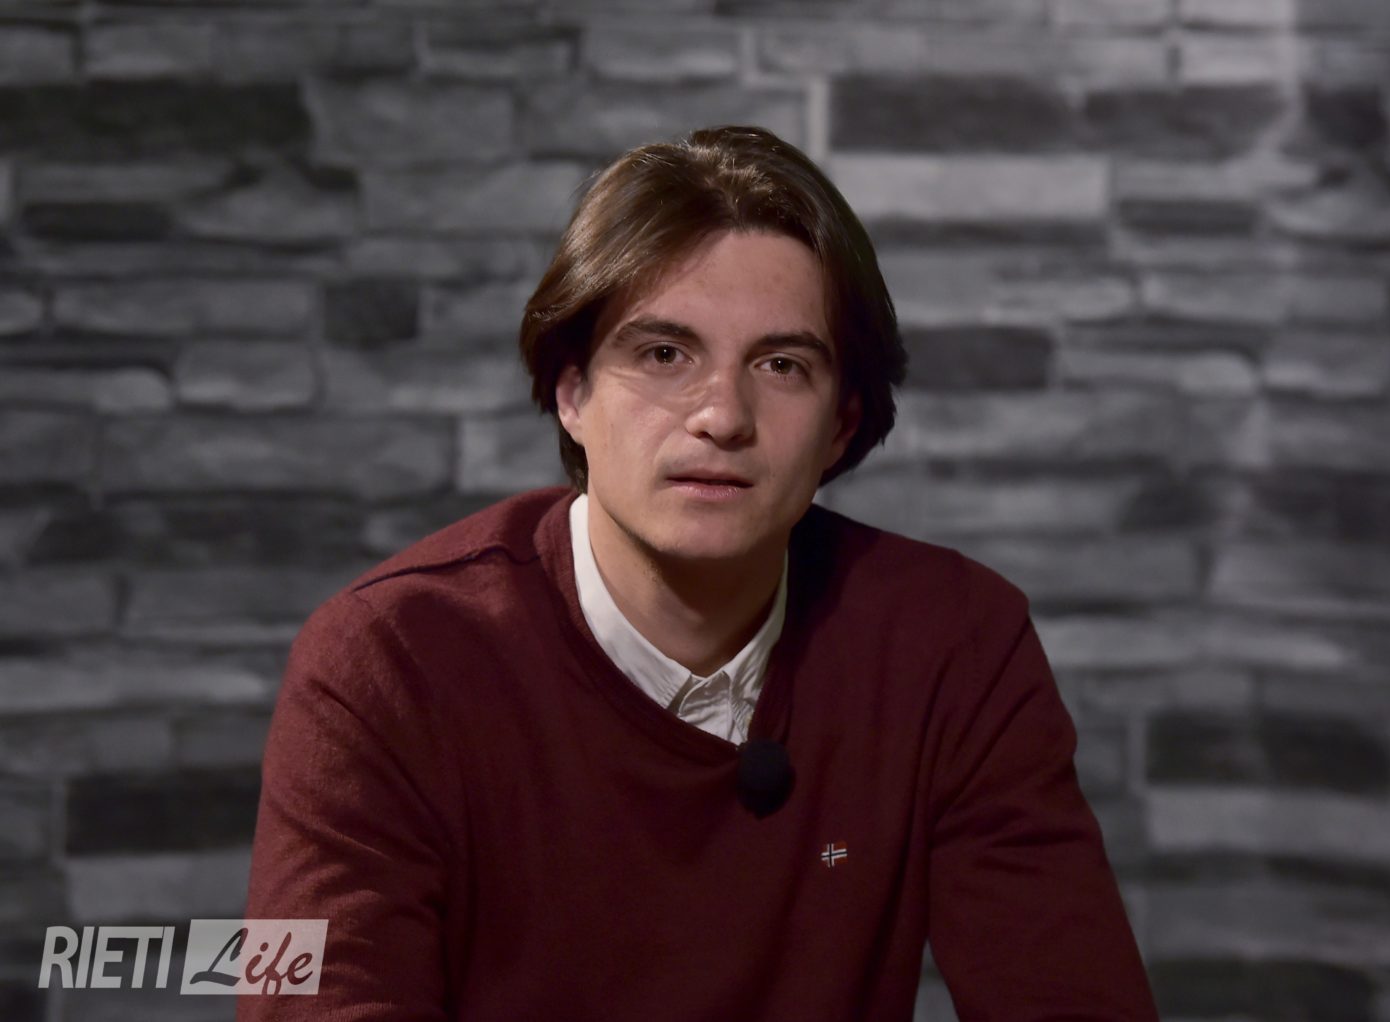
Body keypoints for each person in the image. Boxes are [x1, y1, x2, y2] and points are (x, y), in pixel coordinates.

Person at [240, 125, 1159, 1021]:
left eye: (781, 365)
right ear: (572, 392)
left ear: (841, 426)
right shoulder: (383, 660)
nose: (722, 414)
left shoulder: (954, 645)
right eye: (663, 355)